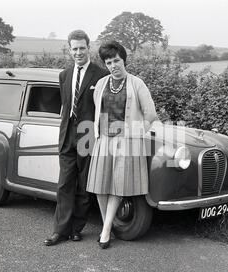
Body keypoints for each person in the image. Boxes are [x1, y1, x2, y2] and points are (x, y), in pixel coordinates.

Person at [86, 41, 159, 249]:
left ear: (123, 60)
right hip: (104, 140)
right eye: (108, 62)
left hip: (126, 142)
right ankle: (106, 225)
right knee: (100, 187)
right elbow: (97, 111)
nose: (113, 65)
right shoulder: (101, 84)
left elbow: (151, 115)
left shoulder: (137, 84)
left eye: (116, 60)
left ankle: (106, 230)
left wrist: (134, 135)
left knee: (117, 187)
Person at [44, 30, 109, 246]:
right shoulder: (64, 75)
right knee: (64, 184)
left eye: (82, 48)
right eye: (74, 48)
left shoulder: (100, 75)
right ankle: (59, 231)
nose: (78, 52)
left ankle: (76, 229)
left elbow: (104, 109)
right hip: (67, 135)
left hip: (88, 134)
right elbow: (65, 107)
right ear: (69, 49)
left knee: (83, 184)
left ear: (88, 48)